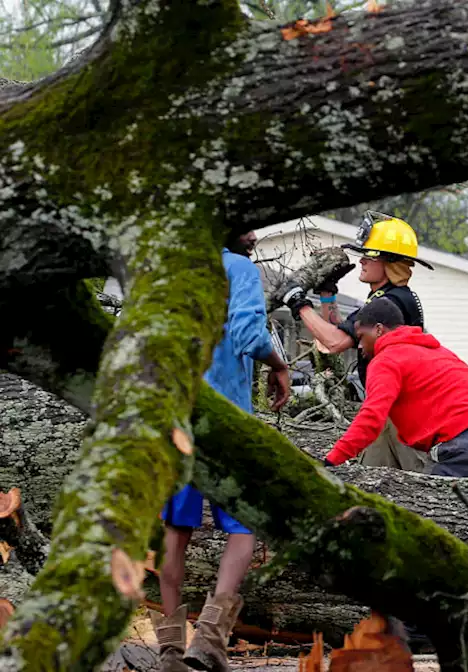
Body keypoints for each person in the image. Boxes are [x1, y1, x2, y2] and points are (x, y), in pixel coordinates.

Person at [152, 231, 291, 672]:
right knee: (245, 522)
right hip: (223, 420)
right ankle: (210, 639)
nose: (255, 235)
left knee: (175, 531)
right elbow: (250, 334)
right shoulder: (238, 269)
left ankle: (171, 653)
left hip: (175, 416)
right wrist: (279, 364)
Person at [283, 211, 430, 472]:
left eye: (370, 255)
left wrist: (298, 303)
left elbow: (335, 342)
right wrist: (327, 294)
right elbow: (340, 331)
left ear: (389, 262)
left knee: (402, 480)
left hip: (397, 412)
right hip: (392, 409)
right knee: (376, 480)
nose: (361, 260)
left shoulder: (389, 302)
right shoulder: (386, 297)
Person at [322, 298, 468, 476]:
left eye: (361, 337)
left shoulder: (386, 360)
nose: (360, 346)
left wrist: (330, 461)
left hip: (464, 441)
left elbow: (371, 418)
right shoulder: (436, 350)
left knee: (433, 504)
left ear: (378, 330)